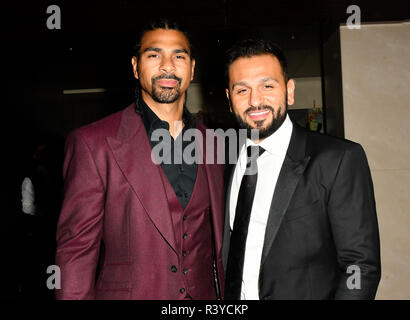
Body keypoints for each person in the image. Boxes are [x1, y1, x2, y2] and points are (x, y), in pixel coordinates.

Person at [55, 19, 225, 300]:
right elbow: (76, 252)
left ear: (192, 68)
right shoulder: (92, 143)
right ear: (135, 66)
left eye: (179, 56)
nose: (167, 66)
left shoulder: (216, 144)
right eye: (154, 55)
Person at [222, 39, 381, 300]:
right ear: (230, 100)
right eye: (242, 90)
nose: (255, 100)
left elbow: (360, 266)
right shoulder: (222, 163)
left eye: (267, 86)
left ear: (290, 90)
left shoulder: (338, 160)